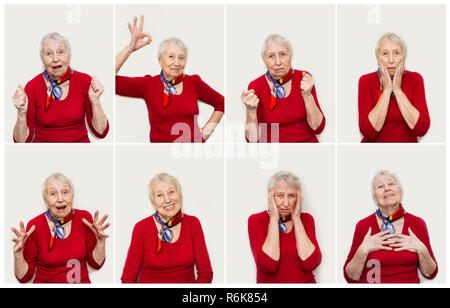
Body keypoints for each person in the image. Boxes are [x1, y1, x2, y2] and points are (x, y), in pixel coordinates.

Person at [115, 15, 224, 143]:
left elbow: (221, 103)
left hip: (191, 155)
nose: (177, 63)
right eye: (171, 56)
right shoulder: (148, 85)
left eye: (181, 58)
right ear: (160, 60)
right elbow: (107, 79)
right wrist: (130, 48)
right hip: (160, 156)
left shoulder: (194, 83)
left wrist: (205, 132)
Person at [11, 173, 110, 283]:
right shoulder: (35, 226)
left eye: (65, 192)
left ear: (72, 196)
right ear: (45, 200)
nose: (60, 198)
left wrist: (101, 241)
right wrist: (18, 255)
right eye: (53, 193)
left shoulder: (84, 219)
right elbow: (23, 277)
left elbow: (96, 264)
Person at [13, 32, 109, 143]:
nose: (55, 58)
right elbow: (21, 142)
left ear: (69, 55)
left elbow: (101, 132)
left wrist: (95, 101)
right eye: (48, 53)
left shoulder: (85, 81)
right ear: (42, 59)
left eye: (60, 52)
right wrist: (21, 112)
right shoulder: (32, 87)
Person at [344, 170, 438, 283]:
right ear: (375, 199)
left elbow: (430, 274)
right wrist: (363, 250)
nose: (387, 188)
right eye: (380, 186)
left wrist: (422, 249)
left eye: (391, 184)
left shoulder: (417, 224)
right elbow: (350, 277)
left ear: (400, 191)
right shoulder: (363, 226)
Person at [121, 173, 213, 283]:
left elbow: (206, 273)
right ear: (153, 203)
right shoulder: (141, 228)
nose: (167, 199)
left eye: (171, 192)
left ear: (179, 195)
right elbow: (128, 278)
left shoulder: (193, 224)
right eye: (159, 195)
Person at [241, 34, 325, 143]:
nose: (278, 62)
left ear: (290, 56)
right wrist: (250, 110)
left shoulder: (304, 78)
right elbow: (253, 140)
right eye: (271, 56)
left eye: (282, 54)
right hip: (275, 152)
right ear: (264, 60)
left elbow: (317, 128)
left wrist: (307, 95)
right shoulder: (256, 86)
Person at [248, 171, 322, 283]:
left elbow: (311, 263)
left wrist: (296, 218)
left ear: (299, 198)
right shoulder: (256, 220)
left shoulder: (307, 219)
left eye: (291, 195)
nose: (286, 203)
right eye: (280, 196)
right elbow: (268, 265)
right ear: (270, 197)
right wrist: (273, 219)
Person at [358, 33, 430, 142]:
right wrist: (387, 90)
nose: (391, 59)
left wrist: (397, 89)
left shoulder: (415, 79)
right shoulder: (366, 81)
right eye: (385, 53)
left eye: (396, 53)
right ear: (378, 58)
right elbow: (368, 132)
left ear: (404, 57)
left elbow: (422, 129)